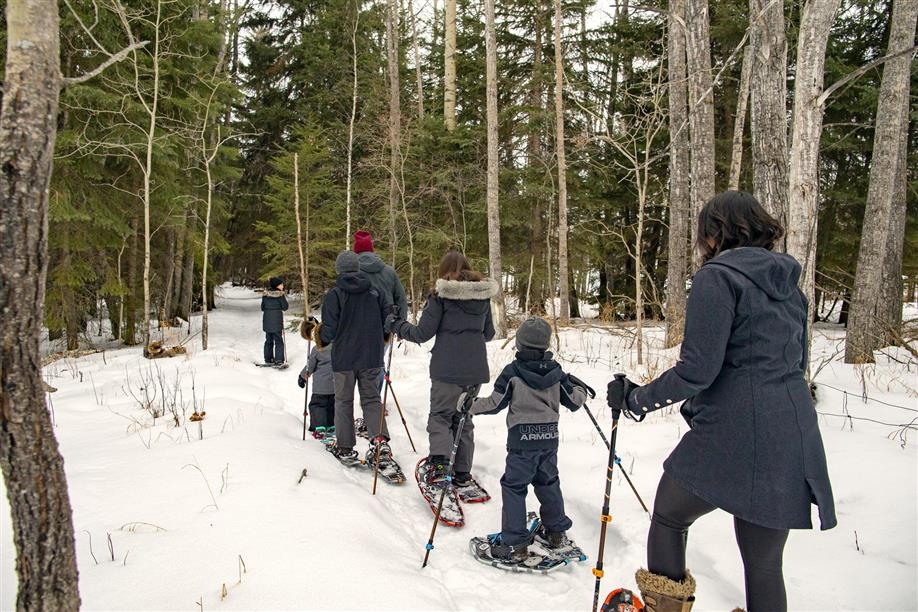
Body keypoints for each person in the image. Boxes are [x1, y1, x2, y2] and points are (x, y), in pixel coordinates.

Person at [606, 191, 836, 612]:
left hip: (735, 431)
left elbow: (698, 370)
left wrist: (637, 398)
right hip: (792, 430)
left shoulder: (718, 277)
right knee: (764, 565)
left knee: (670, 516)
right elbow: (796, 363)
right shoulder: (790, 285)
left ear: (714, 234)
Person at [464, 317, 588, 562]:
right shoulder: (556, 372)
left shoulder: (513, 372)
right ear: (546, 345)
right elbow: (574, 401)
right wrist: (581, 390)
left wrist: (469, 406)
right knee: (548, 483)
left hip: (522, 442)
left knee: (514, 487)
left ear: (520, 343)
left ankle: (516, 543)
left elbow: (494, 404)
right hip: (549, 441)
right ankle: (556, 533)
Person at [387, 251, 497, 491]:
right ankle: (462, 473)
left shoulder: (440, 296)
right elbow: (489, 334)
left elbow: (421, 334)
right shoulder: (482, 296)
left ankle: (439, 465)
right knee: (464, 418)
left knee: (440, 416)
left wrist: (396, 325)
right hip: (475, 370)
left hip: (447, 369)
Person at [318, 251, 391, 466]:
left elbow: (329, 330)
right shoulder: (375, 291)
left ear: (339, 270)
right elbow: (388, 320)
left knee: (343, 401)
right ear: (357, 269)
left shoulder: (335, 294)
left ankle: (345, 446)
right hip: (371, 355)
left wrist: (317, 335)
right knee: (371, 399)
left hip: (345, 357)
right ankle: (379, 441)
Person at [354, 230, 409, 391]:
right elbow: (401, 298)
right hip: (386, 325)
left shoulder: (351, 272)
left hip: (358, 325)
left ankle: (369, 398)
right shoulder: (389, 271)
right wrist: (401, 326)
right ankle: (374, 397)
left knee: (362, 363)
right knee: (378, 360)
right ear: (372, 250)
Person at [298, 322, 335, 439]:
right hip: (335, 385)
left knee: (317, 405)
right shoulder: (337, 347)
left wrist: (302, 376)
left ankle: (319, 427)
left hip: (320, 388)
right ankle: (331, 425)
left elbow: (310, 367)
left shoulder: (317, 350)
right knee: (332, 405)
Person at [261, 277, 288, 364]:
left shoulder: (265, 295)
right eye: (281, 284)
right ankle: (279, 359)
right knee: (278, 340)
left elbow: (262, 308)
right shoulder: (280, 295)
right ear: (277, 285)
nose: (283, 285)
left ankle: (268, 359)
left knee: (268, 340)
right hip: (277, 322)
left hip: (267, 322)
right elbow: (285, 307)